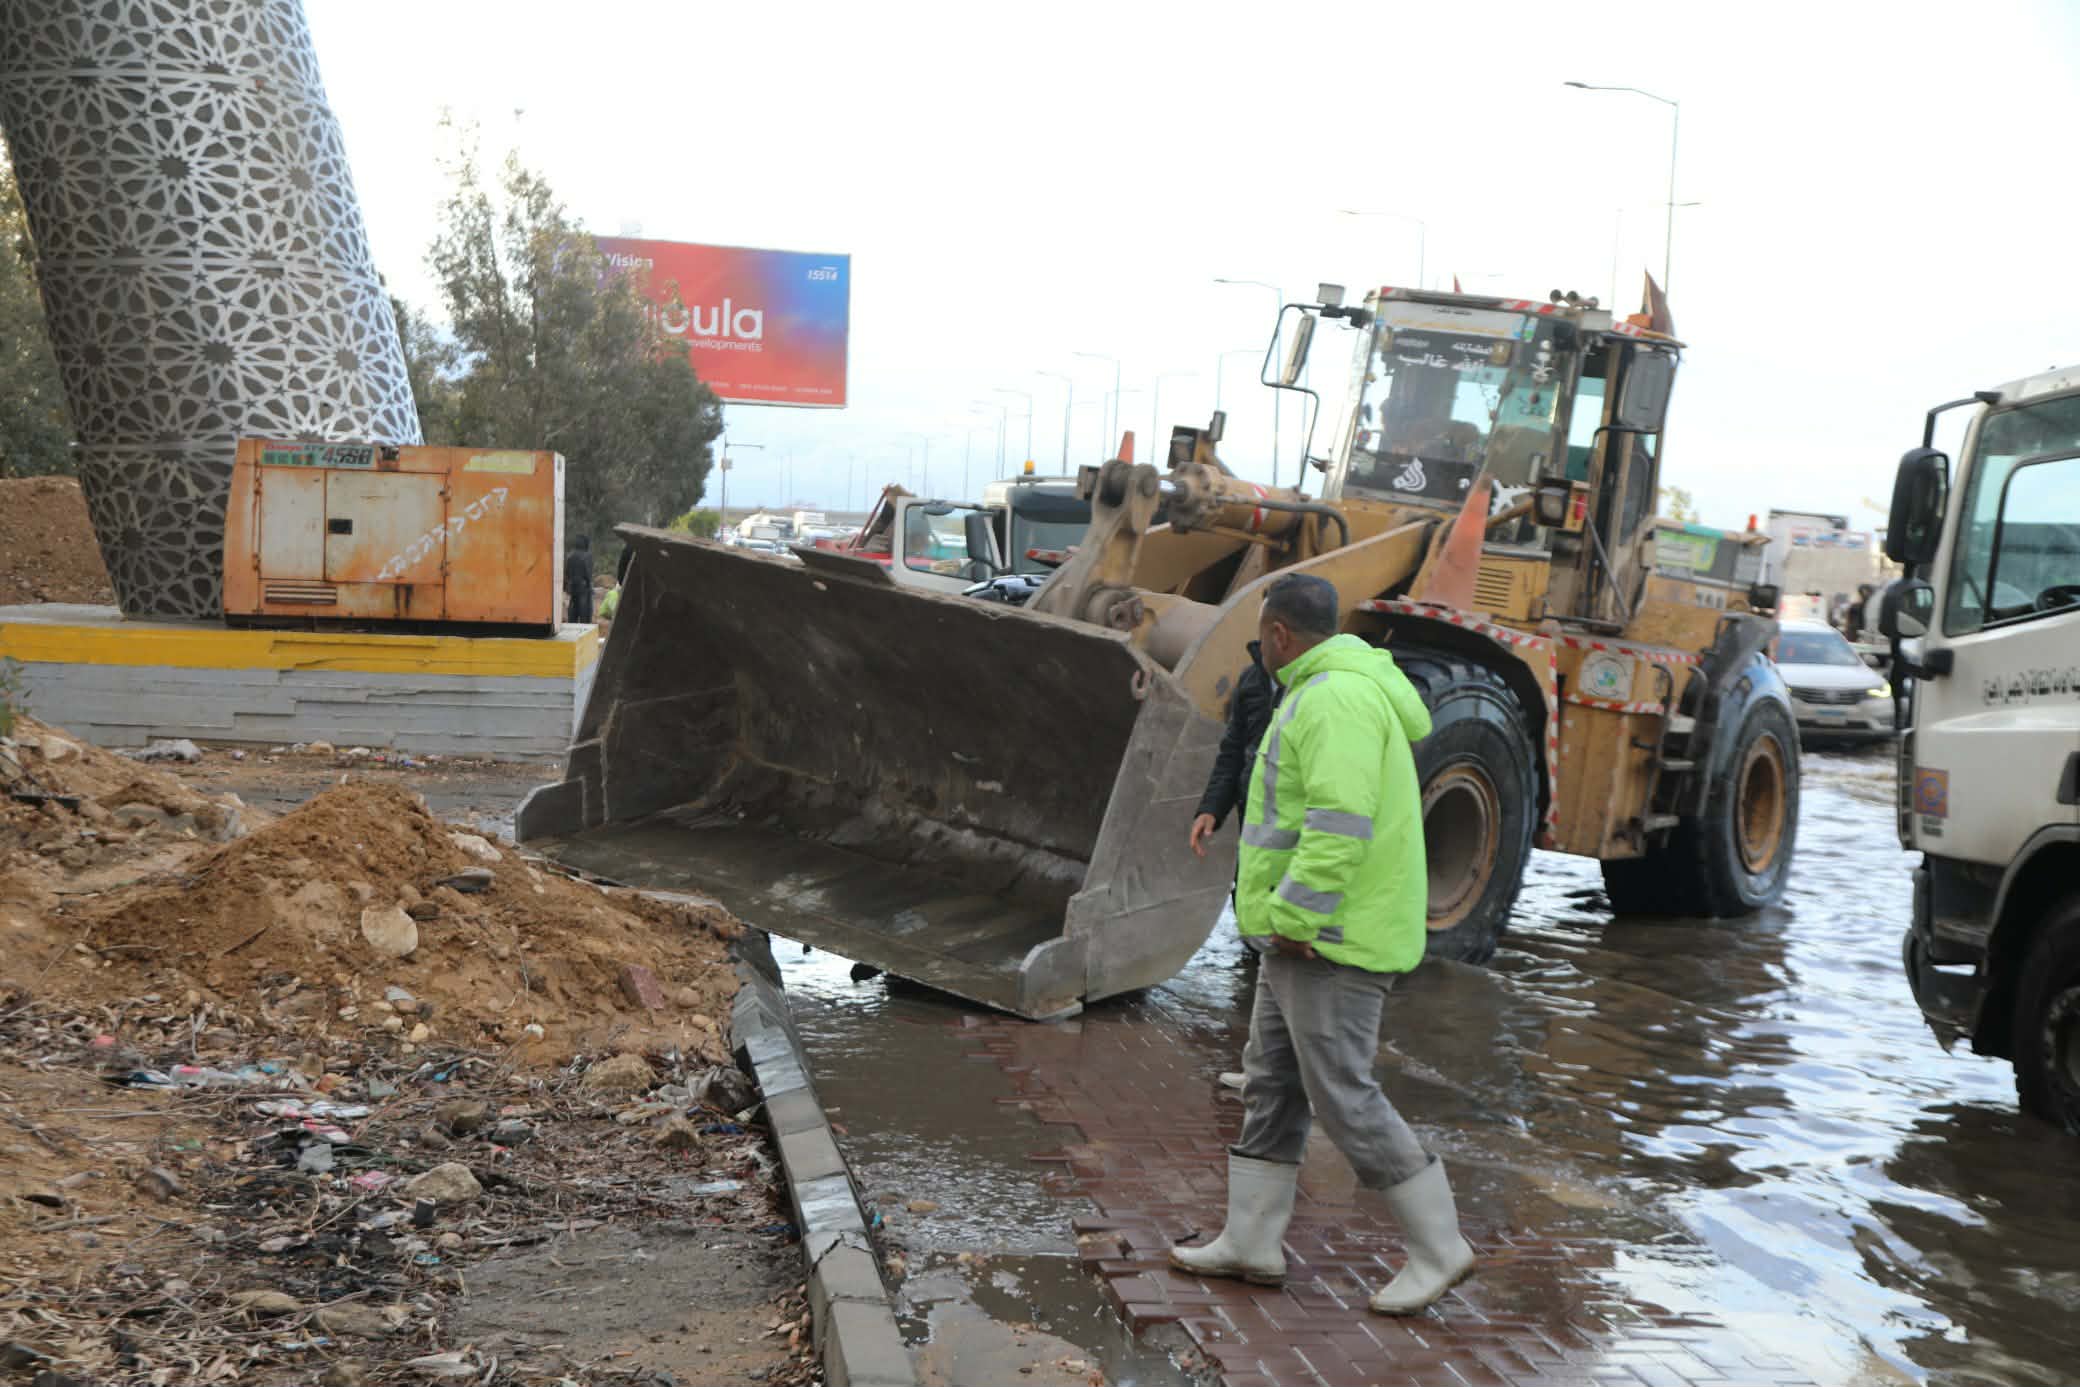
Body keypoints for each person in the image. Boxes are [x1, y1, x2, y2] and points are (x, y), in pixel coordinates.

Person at [1169, 573, 1476, 1317]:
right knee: (1272, 1079)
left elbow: (1339, 826)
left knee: (1341, 1090)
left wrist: (1297, 921)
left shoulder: (1331, 697)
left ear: (1278, 634)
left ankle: (1440, 1248)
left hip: (1327, 938)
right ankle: (1251, 1241)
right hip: (1302, 933)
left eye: (1262, 634)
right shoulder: (1326, 686)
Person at [1190, 641, 1280, 1091]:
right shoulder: (1254, 679)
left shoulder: (1316, 689)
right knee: (1259, 945)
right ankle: (1263, 1069)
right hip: (1255, 829)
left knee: (1286, 964)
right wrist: (1212, 808)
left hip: (1290, 841)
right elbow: (1234, 750)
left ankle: (1294, 1078)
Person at [564, 533, 594, 624]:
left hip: (573, 587)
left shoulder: (570, 555)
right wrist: (589, 586)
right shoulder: (587, 556)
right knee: (585, 617)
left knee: (572, 615)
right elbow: (588, 574)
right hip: (584, 588)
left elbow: (567, 573)